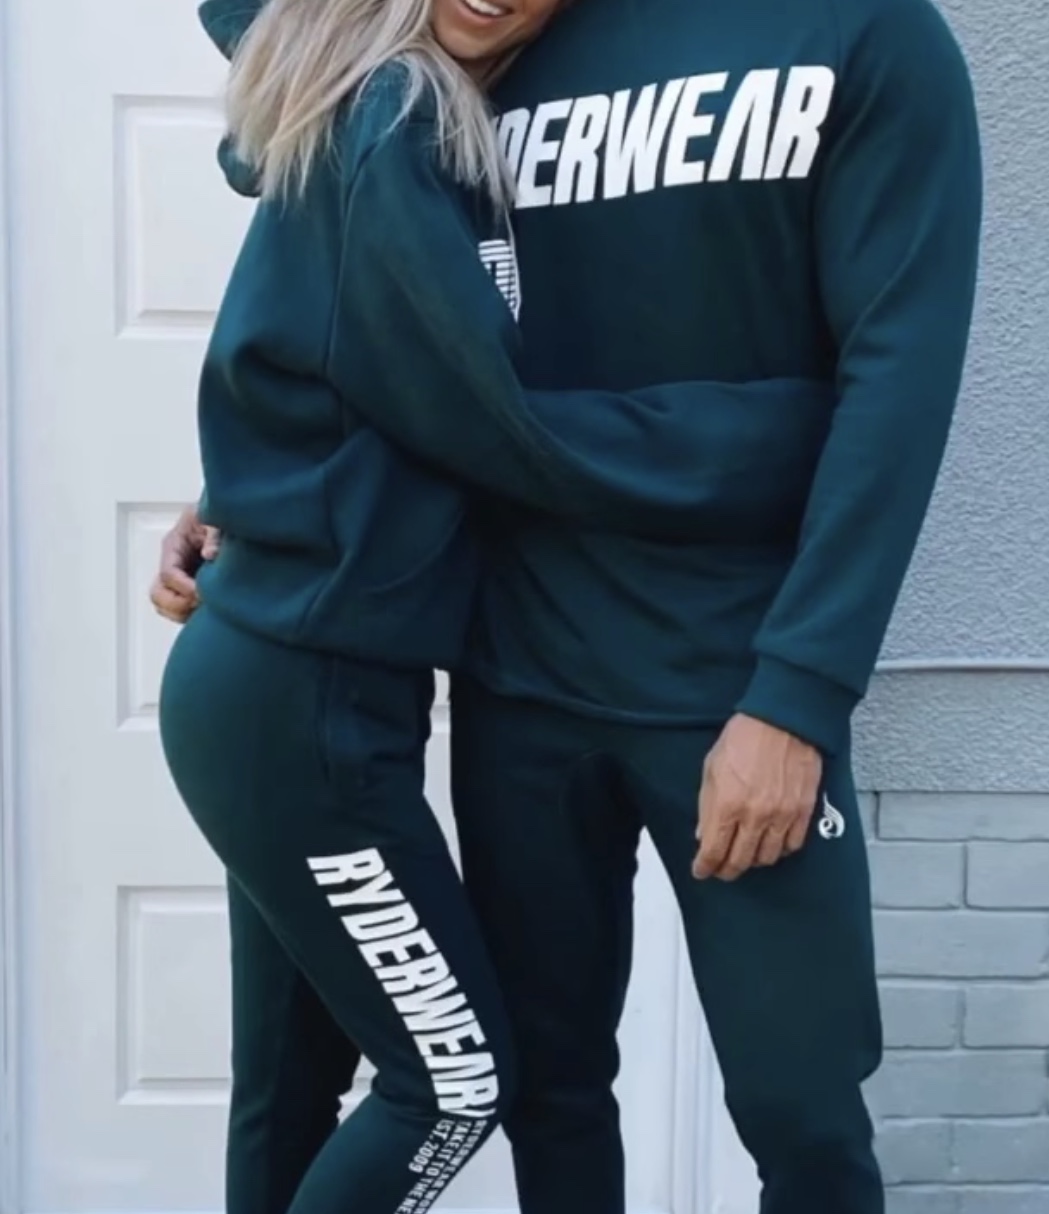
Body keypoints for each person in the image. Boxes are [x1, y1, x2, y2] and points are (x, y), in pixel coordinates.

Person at [157, 0, 983, 1212]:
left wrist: (800, 697)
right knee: (548, 1093)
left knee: (803, 1116)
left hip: (732, 688)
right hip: (517, 675)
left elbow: (901, 374)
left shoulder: (863, 32)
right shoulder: (463, 51)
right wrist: (251, 491)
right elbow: (374, 324)